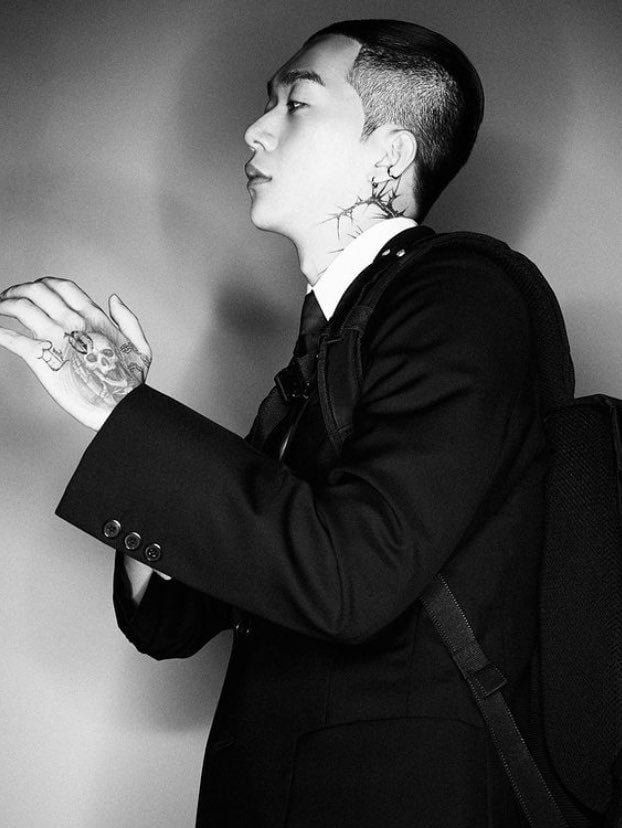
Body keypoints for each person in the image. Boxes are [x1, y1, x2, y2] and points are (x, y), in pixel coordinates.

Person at [0, 19, 547, 828]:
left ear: (390, 153)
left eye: (296, 103)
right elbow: (167, 620)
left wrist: (126, 416)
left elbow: (351, 579)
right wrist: (128, 416)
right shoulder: (320, 356)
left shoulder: (466, 292)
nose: (255, 130)